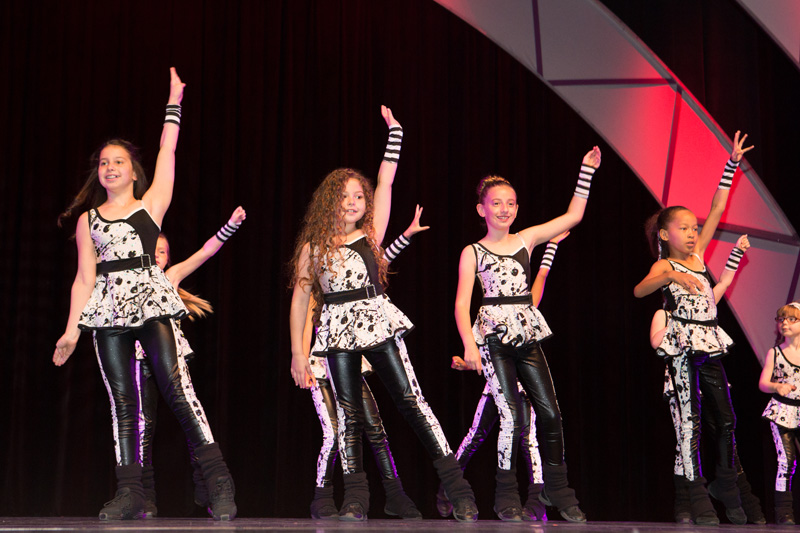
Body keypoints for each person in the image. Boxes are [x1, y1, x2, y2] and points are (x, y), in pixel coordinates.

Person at [53, 68, 236, 521]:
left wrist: (174, 103)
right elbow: (83, 279)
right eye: (103, 163)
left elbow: (167, 150)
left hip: (150, 302)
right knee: (123, 401)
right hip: (108, 310)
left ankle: (217, 479)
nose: (110, 167)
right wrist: (72, 331)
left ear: (134, 171)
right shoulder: (89, 221)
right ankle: (131, 490)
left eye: (118, 161)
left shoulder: (150, 205)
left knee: (177, 389)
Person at [289, 107, 478, 522]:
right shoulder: (312, 249)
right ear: (329, 202)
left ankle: (457, 487)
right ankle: (356, 497)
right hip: (336, 331)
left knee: (411, 401)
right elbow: (300, 302)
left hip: (375, 322)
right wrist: (298, 354)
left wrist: (396, 134)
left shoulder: (370, 234)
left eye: (359, 196)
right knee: (349, 414)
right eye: (344, 196)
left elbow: (386, 181)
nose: (353, 202)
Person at [455, 148, 601, 523]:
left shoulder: (526, 239)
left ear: (517, 209)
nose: (504, 209)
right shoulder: (472, 252)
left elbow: (574, 215)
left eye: (510, 203)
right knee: (510, 417)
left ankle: (557, 489)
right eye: (496, 203)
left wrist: (585, 172)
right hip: (493, 338)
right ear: (481, 209)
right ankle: (506, 494)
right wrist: (470, 345)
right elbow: (461, 304)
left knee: (550, 412)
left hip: (526, 332)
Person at [634, 131, 754, 525]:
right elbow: (639, 290)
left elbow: (718, 207)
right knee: (690, 422)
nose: (691, 233)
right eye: (683, 228)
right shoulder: (665, 264)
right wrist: (670, 276)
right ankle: (696, 493)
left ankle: (724, 481)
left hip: (708, 342)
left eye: (693, 227)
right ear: (665, 234)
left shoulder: (699, 257)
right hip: (682, 347)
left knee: (727, 418)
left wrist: (731, 164)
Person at [302, 206, 428, 520]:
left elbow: (379, 261)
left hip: (349, 361)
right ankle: (322, 497)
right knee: (335, 432)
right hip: (321, 364)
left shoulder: (355, 267)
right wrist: (303, 359)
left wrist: (406, 236)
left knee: (374, 427)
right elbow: (304, 320)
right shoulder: (321, 277)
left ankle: (395, 495)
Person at [442, 231, 569, 522]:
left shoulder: (527, 313)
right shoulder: (494, 316)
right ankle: (450, 486)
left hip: (524, 385)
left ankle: (535, 502)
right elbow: (487, 350)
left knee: (529, 438)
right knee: (476, 435)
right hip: (497, 383)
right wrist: (469, 361)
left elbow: (539, 282)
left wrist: (551, 247)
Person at [136, 207, 246, 518]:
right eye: (152, 249)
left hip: (170, 355)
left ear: (167, 258)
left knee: (191, 418)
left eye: (162, 251)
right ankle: (144, 497)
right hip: (138, 356)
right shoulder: (127, 279)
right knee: (143, 424)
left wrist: (230, 225)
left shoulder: (169, 277)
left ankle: (209, 484)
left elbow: (205, 252)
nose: (157, 255)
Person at [650, 235, 764, 524]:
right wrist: (681, 327)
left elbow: (723, 282)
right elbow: (656, 342)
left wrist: (736, 252)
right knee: (687, 438)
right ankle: (686, 503)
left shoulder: (706, 306)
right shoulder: (664, 313)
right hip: (681, 381)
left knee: (726, 427)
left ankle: (730, 491)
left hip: (707, 375)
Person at [760, 302, 800, 525]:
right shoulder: (775, 353)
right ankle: (784, 512)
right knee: (786, 460)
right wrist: (777, 386)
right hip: (782, 411)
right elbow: (763, 383)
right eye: (781, 319)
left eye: (792, 319)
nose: (785, 323)